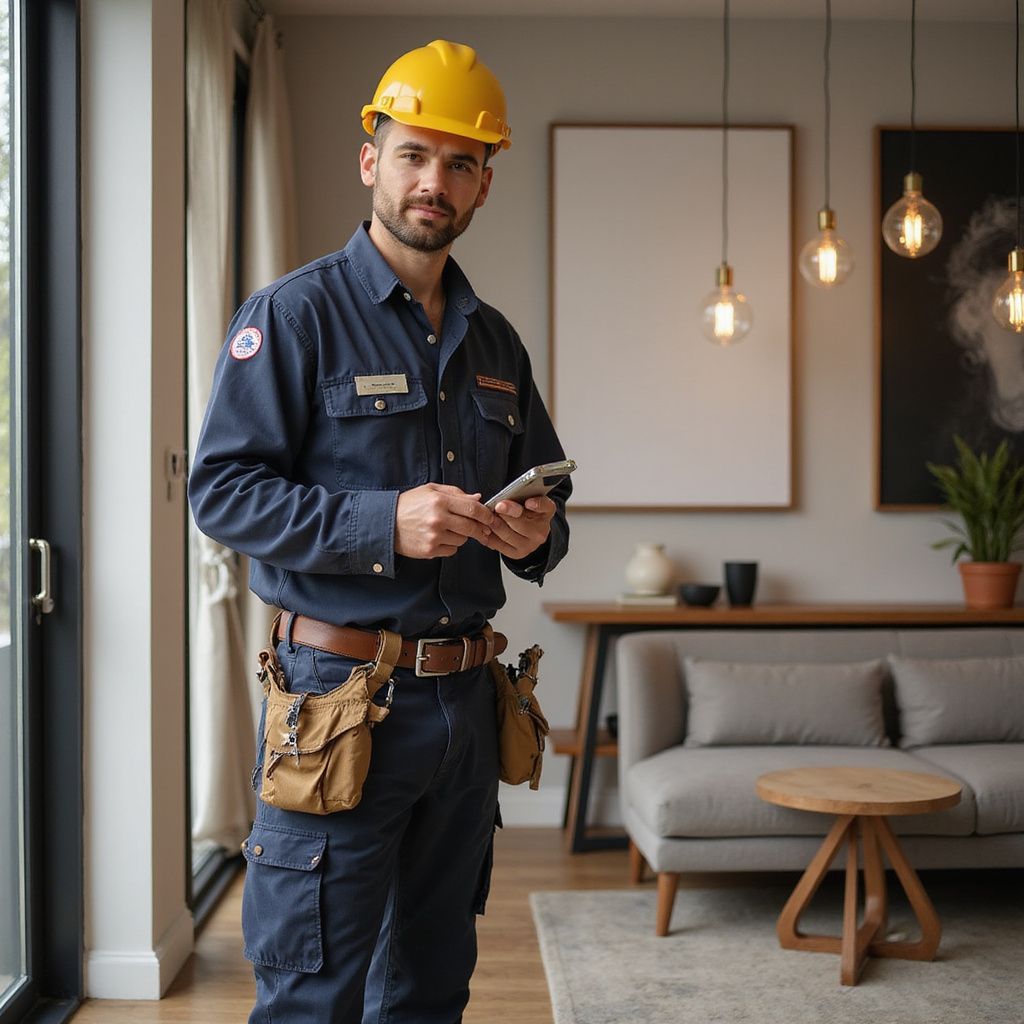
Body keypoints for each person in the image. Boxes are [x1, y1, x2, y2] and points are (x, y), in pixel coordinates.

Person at [188, 38, 571, 1024]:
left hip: (465, 708)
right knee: (314, 997)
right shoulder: (294, 316)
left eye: (459, 162)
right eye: (413, 154)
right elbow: (222, 494)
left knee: (431, 989)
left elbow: (550, 504)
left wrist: (534, 535)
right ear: (372, 160)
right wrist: (382, 521)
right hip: (340, 703)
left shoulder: (495, 345)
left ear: (485, 182)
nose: (432, 181)